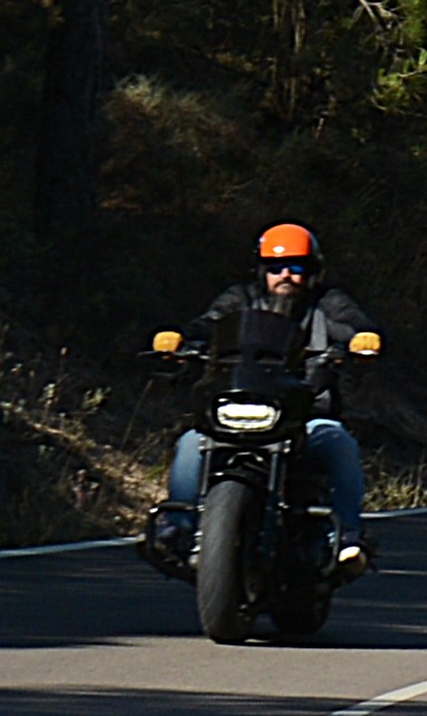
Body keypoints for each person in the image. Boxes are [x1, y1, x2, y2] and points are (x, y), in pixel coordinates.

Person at [145, 222, 381, 580]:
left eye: (296, 267)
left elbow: (353, 324)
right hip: (240, 406)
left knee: (339, 441)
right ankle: (177, 526)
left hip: (304, 416)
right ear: (261, 271)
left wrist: (358, 340)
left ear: (313, 271)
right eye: (275, 267)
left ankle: (347, 537)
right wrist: (182, 339)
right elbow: (210, 323)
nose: (285, 275)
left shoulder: (327, 304)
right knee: (192, 441)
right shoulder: (240, 299)